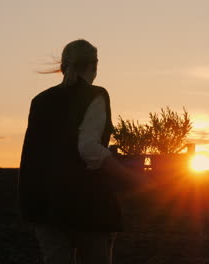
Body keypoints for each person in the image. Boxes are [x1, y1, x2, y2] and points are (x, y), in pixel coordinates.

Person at [18, 39, 146, 264]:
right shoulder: (95, 95)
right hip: (88, 206)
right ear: (94, 65)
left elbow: (34, 154)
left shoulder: (40, 101)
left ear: (63, 66)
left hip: (44, 205)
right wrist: (133, 177)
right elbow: (88, 149)